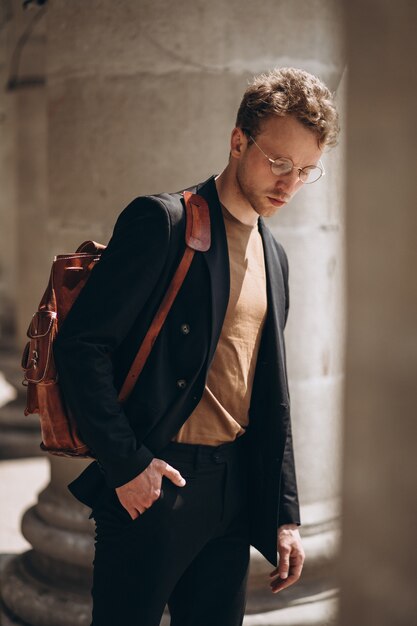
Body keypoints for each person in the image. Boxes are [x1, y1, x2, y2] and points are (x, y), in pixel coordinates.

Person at [54, 67, 339, 626]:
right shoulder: (164, 222)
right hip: (157, 479)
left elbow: (271, 396)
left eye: (306, 171)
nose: (289, 183)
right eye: (278, 161)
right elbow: (81, 346)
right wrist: (127, 464)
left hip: (233, 491)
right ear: (238, 141)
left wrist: (284, 515)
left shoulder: (274, 256)